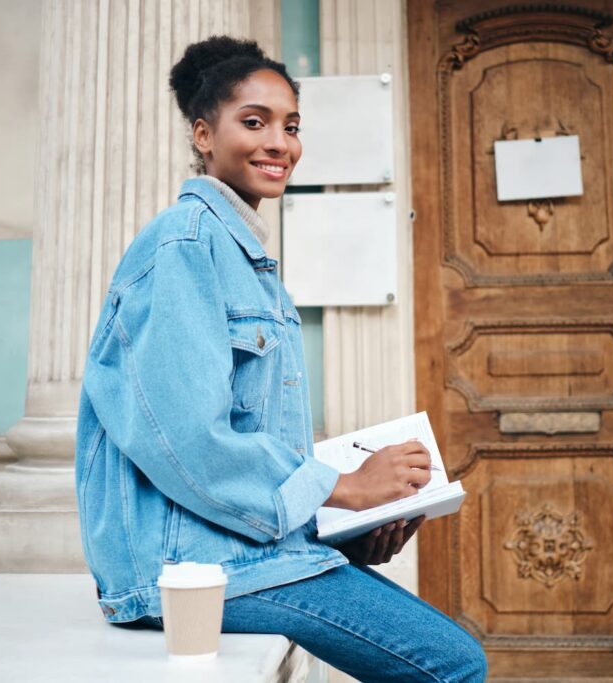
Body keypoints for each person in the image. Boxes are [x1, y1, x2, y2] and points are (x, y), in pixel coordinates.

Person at [75, 35, 487, 682]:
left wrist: (349, 520)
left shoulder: (247, 260)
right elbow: (189, 438)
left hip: (239, 554)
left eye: (291, 126)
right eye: (254, 122)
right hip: (193, 571)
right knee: (453, 663)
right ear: (204, 135)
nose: (280, 143)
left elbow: (247, 440)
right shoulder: (183, 248)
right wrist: (345, 485)